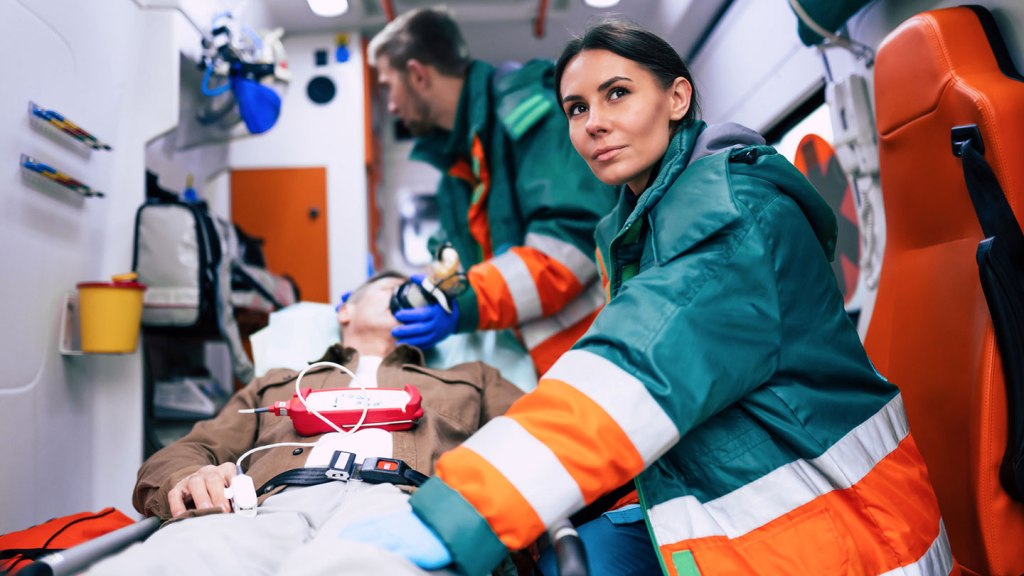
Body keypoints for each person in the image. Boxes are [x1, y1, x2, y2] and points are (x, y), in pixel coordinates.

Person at [343, 20, 955, 576]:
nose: (593, 124)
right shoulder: (640, 224)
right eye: (576, 108)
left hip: (854, 529)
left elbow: (637, 366)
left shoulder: (733, 217)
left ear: (677, 98)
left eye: (617, 94)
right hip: (749, 487)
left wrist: (458, 513)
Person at [85, 272, 523, 575]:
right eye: (392, 288)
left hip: (405, 506)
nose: (405, 297)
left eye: (414, 294)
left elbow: (531, 438)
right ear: (345, 309)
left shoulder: (472, 378)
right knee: (173, 562)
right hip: (266, 510)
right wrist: (188, 477)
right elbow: (183, 453)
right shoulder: (277, 383)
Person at [368, 7, 616, 375]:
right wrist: (398, 291)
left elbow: (566, 250)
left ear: (418, 75)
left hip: (592, 350)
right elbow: (452, 259)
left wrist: (464, 305)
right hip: (538, 362)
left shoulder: (528, 110)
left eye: (388, 85)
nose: (389, 105)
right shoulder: (456, 171)